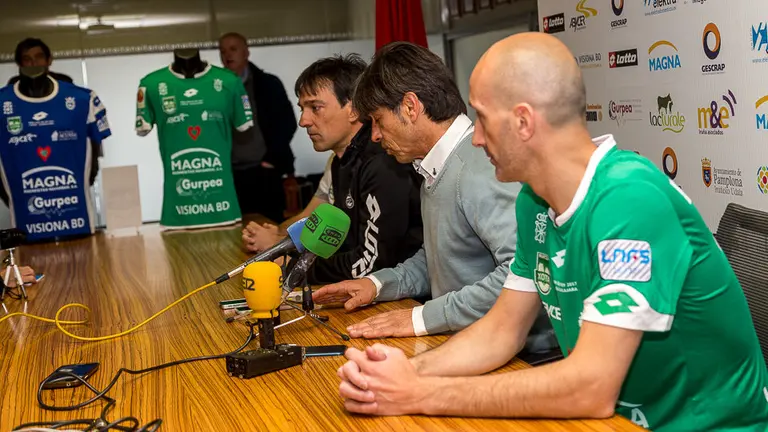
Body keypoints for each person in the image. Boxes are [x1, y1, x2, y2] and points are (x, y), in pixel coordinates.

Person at [335, 33, 768, 432]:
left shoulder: (629, 199)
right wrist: (405, 372)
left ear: (523, 122)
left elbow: (590, 386)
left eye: (482, 120)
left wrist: (421, 392)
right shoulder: (534, 202)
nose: (477, 139)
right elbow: (501, 332)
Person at [312, 42, 555, 349]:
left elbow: (524, 274)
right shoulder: (436, 165)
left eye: (378, 120)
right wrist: (376, 284)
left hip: (523, 361)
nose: (374, 135)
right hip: (472, 346)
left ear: (411, 107)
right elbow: (441, 257)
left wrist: (423, 317)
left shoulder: (480, 167)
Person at [244, 54, 423, 284]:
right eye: (302, 109)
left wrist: (295, 269)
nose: (304, 121)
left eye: (315, 107)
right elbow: (338, 243)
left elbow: (373, 263)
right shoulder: (341, 160)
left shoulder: (382, 161)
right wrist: (283, 248)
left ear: (354, 109)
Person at [218, 32, 297, 223]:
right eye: (222, 51)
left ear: (246, 53)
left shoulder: (268, 83)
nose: (227, 55)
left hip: (263, 171)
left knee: (270, 230)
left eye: (233, 49)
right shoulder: (215, 88)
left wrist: (271, 160)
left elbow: (287, 123)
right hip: (229, 175)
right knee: (234, 234)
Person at [243, 154, 332, 250]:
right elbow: (308, 215)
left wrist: (277, 242)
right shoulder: (334, 161)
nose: (308, 137)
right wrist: (278, 232)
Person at [7, 38, 73, 85]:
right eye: (27, 59)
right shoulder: (14, 85)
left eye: (39, 57)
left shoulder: (64, 82)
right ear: (19, 64)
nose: (34, 63)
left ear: (49, 60)